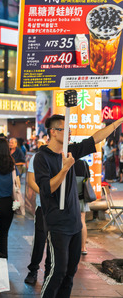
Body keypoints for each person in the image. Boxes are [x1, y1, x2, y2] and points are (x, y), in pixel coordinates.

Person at [34, 114, 123, 298]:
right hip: (57, 224)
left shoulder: (70, 150)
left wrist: (118, 122)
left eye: (69, 130)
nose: (69, 133)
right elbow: (46, 189)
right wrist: (65, 168)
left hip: (75, 222)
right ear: (52, 131)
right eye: (64, 130)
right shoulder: (42, 157)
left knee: (69, 273)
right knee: (57, 272)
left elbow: (95, 138)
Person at [0, 137, 19, 259]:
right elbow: (17, 183)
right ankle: (3, 260)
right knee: (4, 234)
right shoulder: (11, 163)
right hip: (8, 203)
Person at [24, 153, 51, 285]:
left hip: (62, 208)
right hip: (43, 207)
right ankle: (33, 269)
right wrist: (44, 192)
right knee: (40, 240)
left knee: (56, 242)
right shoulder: (39, 157)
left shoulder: (67, 155)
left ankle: (50, 271)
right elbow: (31, 180)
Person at [74, 159, 91, 255]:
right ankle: (83, 247)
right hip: (81, 198)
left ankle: (71, 246)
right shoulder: (84, 164)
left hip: (70, 198)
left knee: (70, 221)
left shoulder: (67, 163)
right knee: (82, 221)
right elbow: (88, 180)